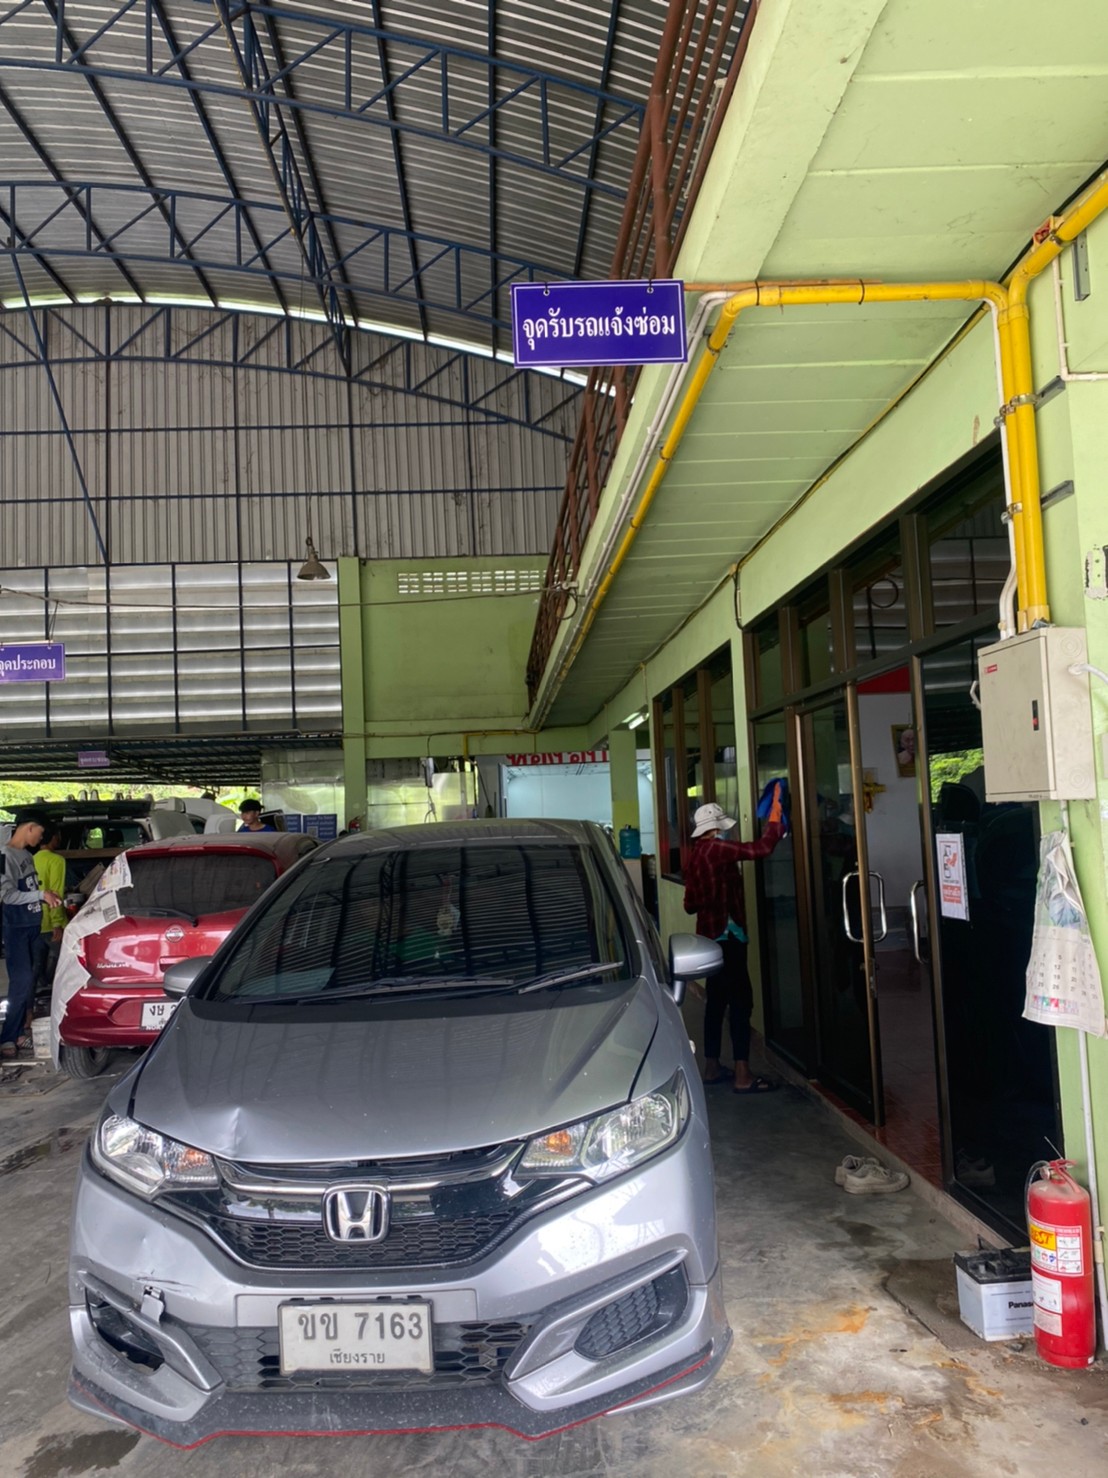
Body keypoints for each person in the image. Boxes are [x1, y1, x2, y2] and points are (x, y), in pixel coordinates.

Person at [683, 786, 784, 1093]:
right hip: (729, 938)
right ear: (716, 829)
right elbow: (761, 849)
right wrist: (776, 817)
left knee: (716, 1003)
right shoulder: (717, 849)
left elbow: (690, 905)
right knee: (741, 1003)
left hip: (709, 940)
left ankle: (712, 1067)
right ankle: (743, 1075)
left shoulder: (696, 855)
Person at [1, 814, 62, 1059]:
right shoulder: (5, 856)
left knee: (30, 982)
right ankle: (7, 1037)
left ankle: (17, 1033)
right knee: (22, 980)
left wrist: (45, 897)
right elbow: (6, 895)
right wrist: (40, 895)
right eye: (40, 832)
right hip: (16, 927)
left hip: (33, 925)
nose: (41, 837)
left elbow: (30, 889)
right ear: (29, 827)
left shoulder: (27, 855)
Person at [32, 822, 67, 998]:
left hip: (33, 920)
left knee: (35, 968)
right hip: (51, 922)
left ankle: (31, 1005)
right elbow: (56, 893)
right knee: (64, 966)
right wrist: (57, 923)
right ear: (53, 837)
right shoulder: (57, 860)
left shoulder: (31, 860)